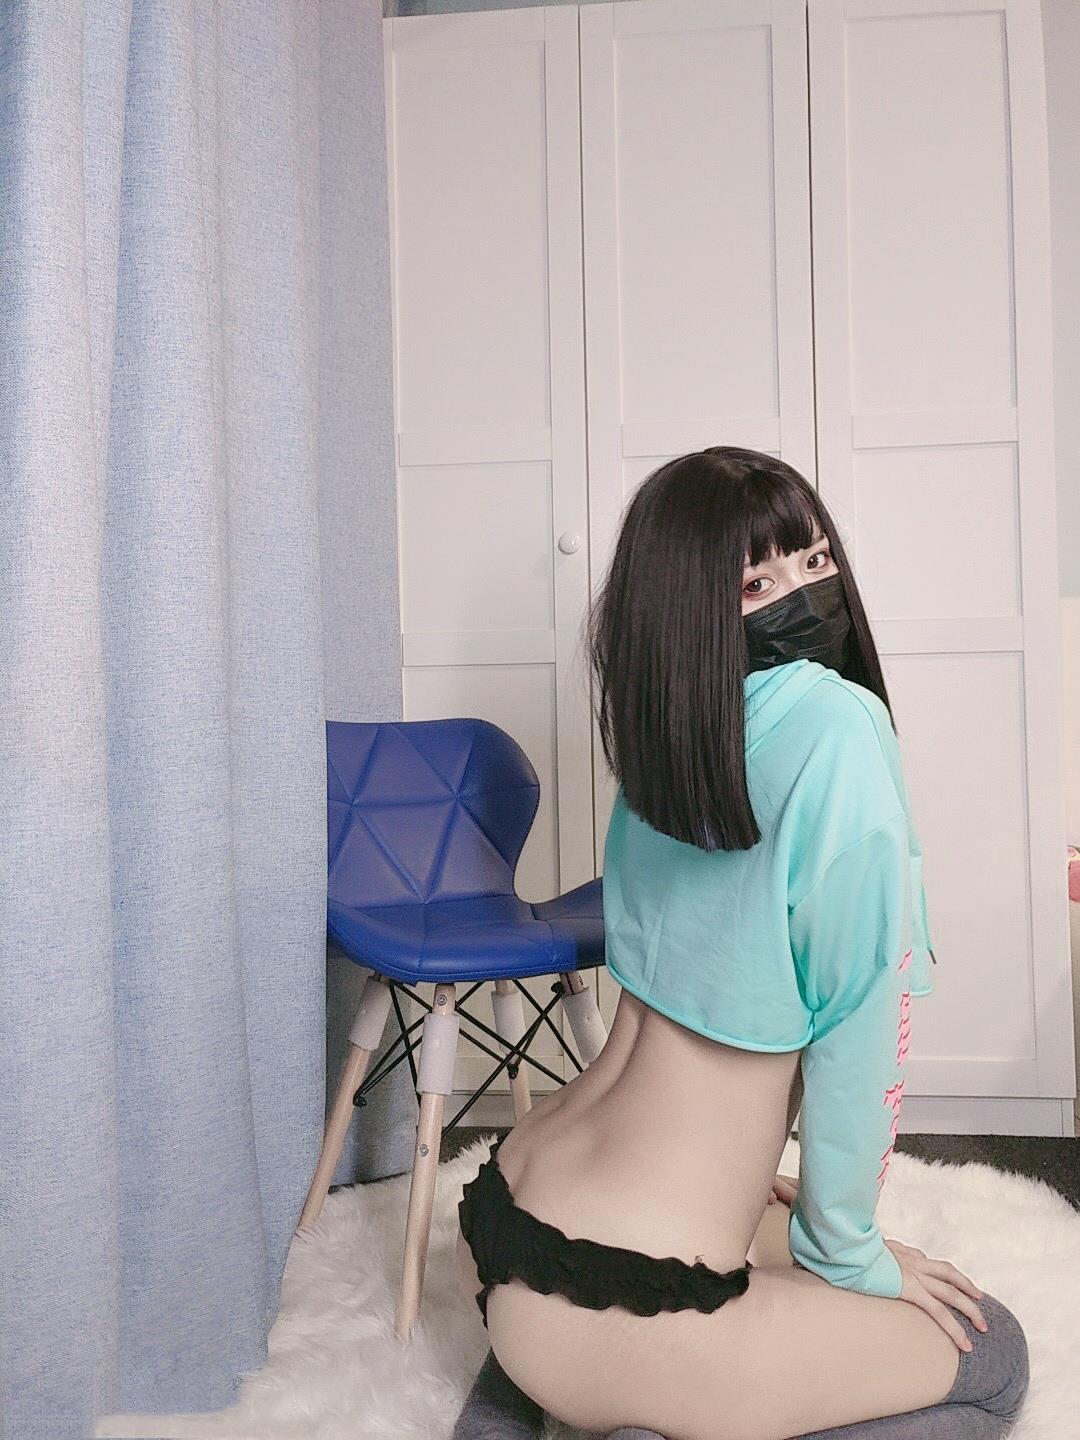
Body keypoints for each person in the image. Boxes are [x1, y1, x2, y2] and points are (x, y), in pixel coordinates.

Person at [451, 448, 1030, 1440]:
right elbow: (859, 1032)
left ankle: (582, 1402)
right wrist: (850, 1253)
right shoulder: (839, 727)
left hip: (514, 1216)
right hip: (635, 1304)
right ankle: (649, 1403)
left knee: (770, 1245)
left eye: (815, 561)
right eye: (756, 583)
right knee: (991, 1353)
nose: (803, 594)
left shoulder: (669, 742)